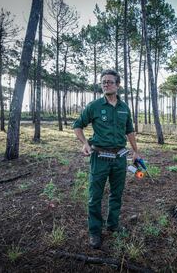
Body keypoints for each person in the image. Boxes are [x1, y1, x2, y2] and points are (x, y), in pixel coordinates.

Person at [72, 69, 140, 249]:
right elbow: (77, 125)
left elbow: (129, 131)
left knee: (116, 194)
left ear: (117, 85)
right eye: (103, 82)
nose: (106, 84)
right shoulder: (94, 106)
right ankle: (95, 231)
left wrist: (135, 151)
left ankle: (113, 225)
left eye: (110, 82)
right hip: (100, 157)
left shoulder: (124, 108)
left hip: (120, 157)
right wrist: (85, 143)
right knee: (95, 196)